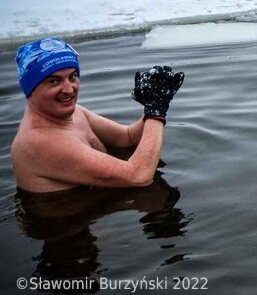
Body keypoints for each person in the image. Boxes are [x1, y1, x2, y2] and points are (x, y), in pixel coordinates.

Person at [11, 37, 185, 193]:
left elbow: (128, 137)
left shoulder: (74, 113)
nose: (68, 89)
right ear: (30, 88)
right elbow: (138, 176)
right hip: (68, 225)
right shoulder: (40, 141)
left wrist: (151, 105)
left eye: (72, 77)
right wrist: (156, 112)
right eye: (54, 81)